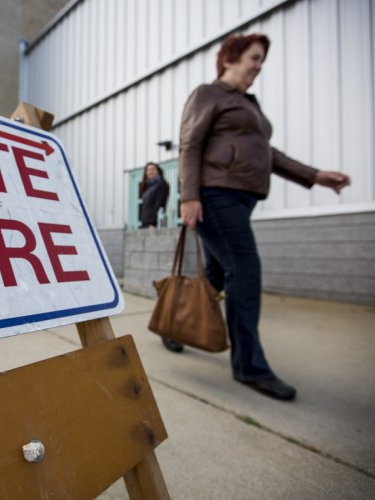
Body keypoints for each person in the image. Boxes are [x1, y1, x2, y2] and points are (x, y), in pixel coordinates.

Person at [173, 33, 351, 401]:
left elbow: (271, 154)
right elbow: (190, 143)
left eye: (261, 61)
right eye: (254, 58)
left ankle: (176, 327)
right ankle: (250, 367)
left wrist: (315, 175)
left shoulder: (249, 105)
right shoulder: (209, 93)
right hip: (214, 194)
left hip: (242, 198)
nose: (258, 66)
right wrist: (189, 195)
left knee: (220, 274)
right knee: (245, 269)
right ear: (230, 59)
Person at [138, 162, 169, 228]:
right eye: (148, 170)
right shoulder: (148, 188)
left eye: (153, 169)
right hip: (145, 223)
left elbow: (159, 204)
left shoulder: (161, 185)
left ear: (158, 171)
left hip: (153, 224)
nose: (150, 171)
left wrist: (152, 223)